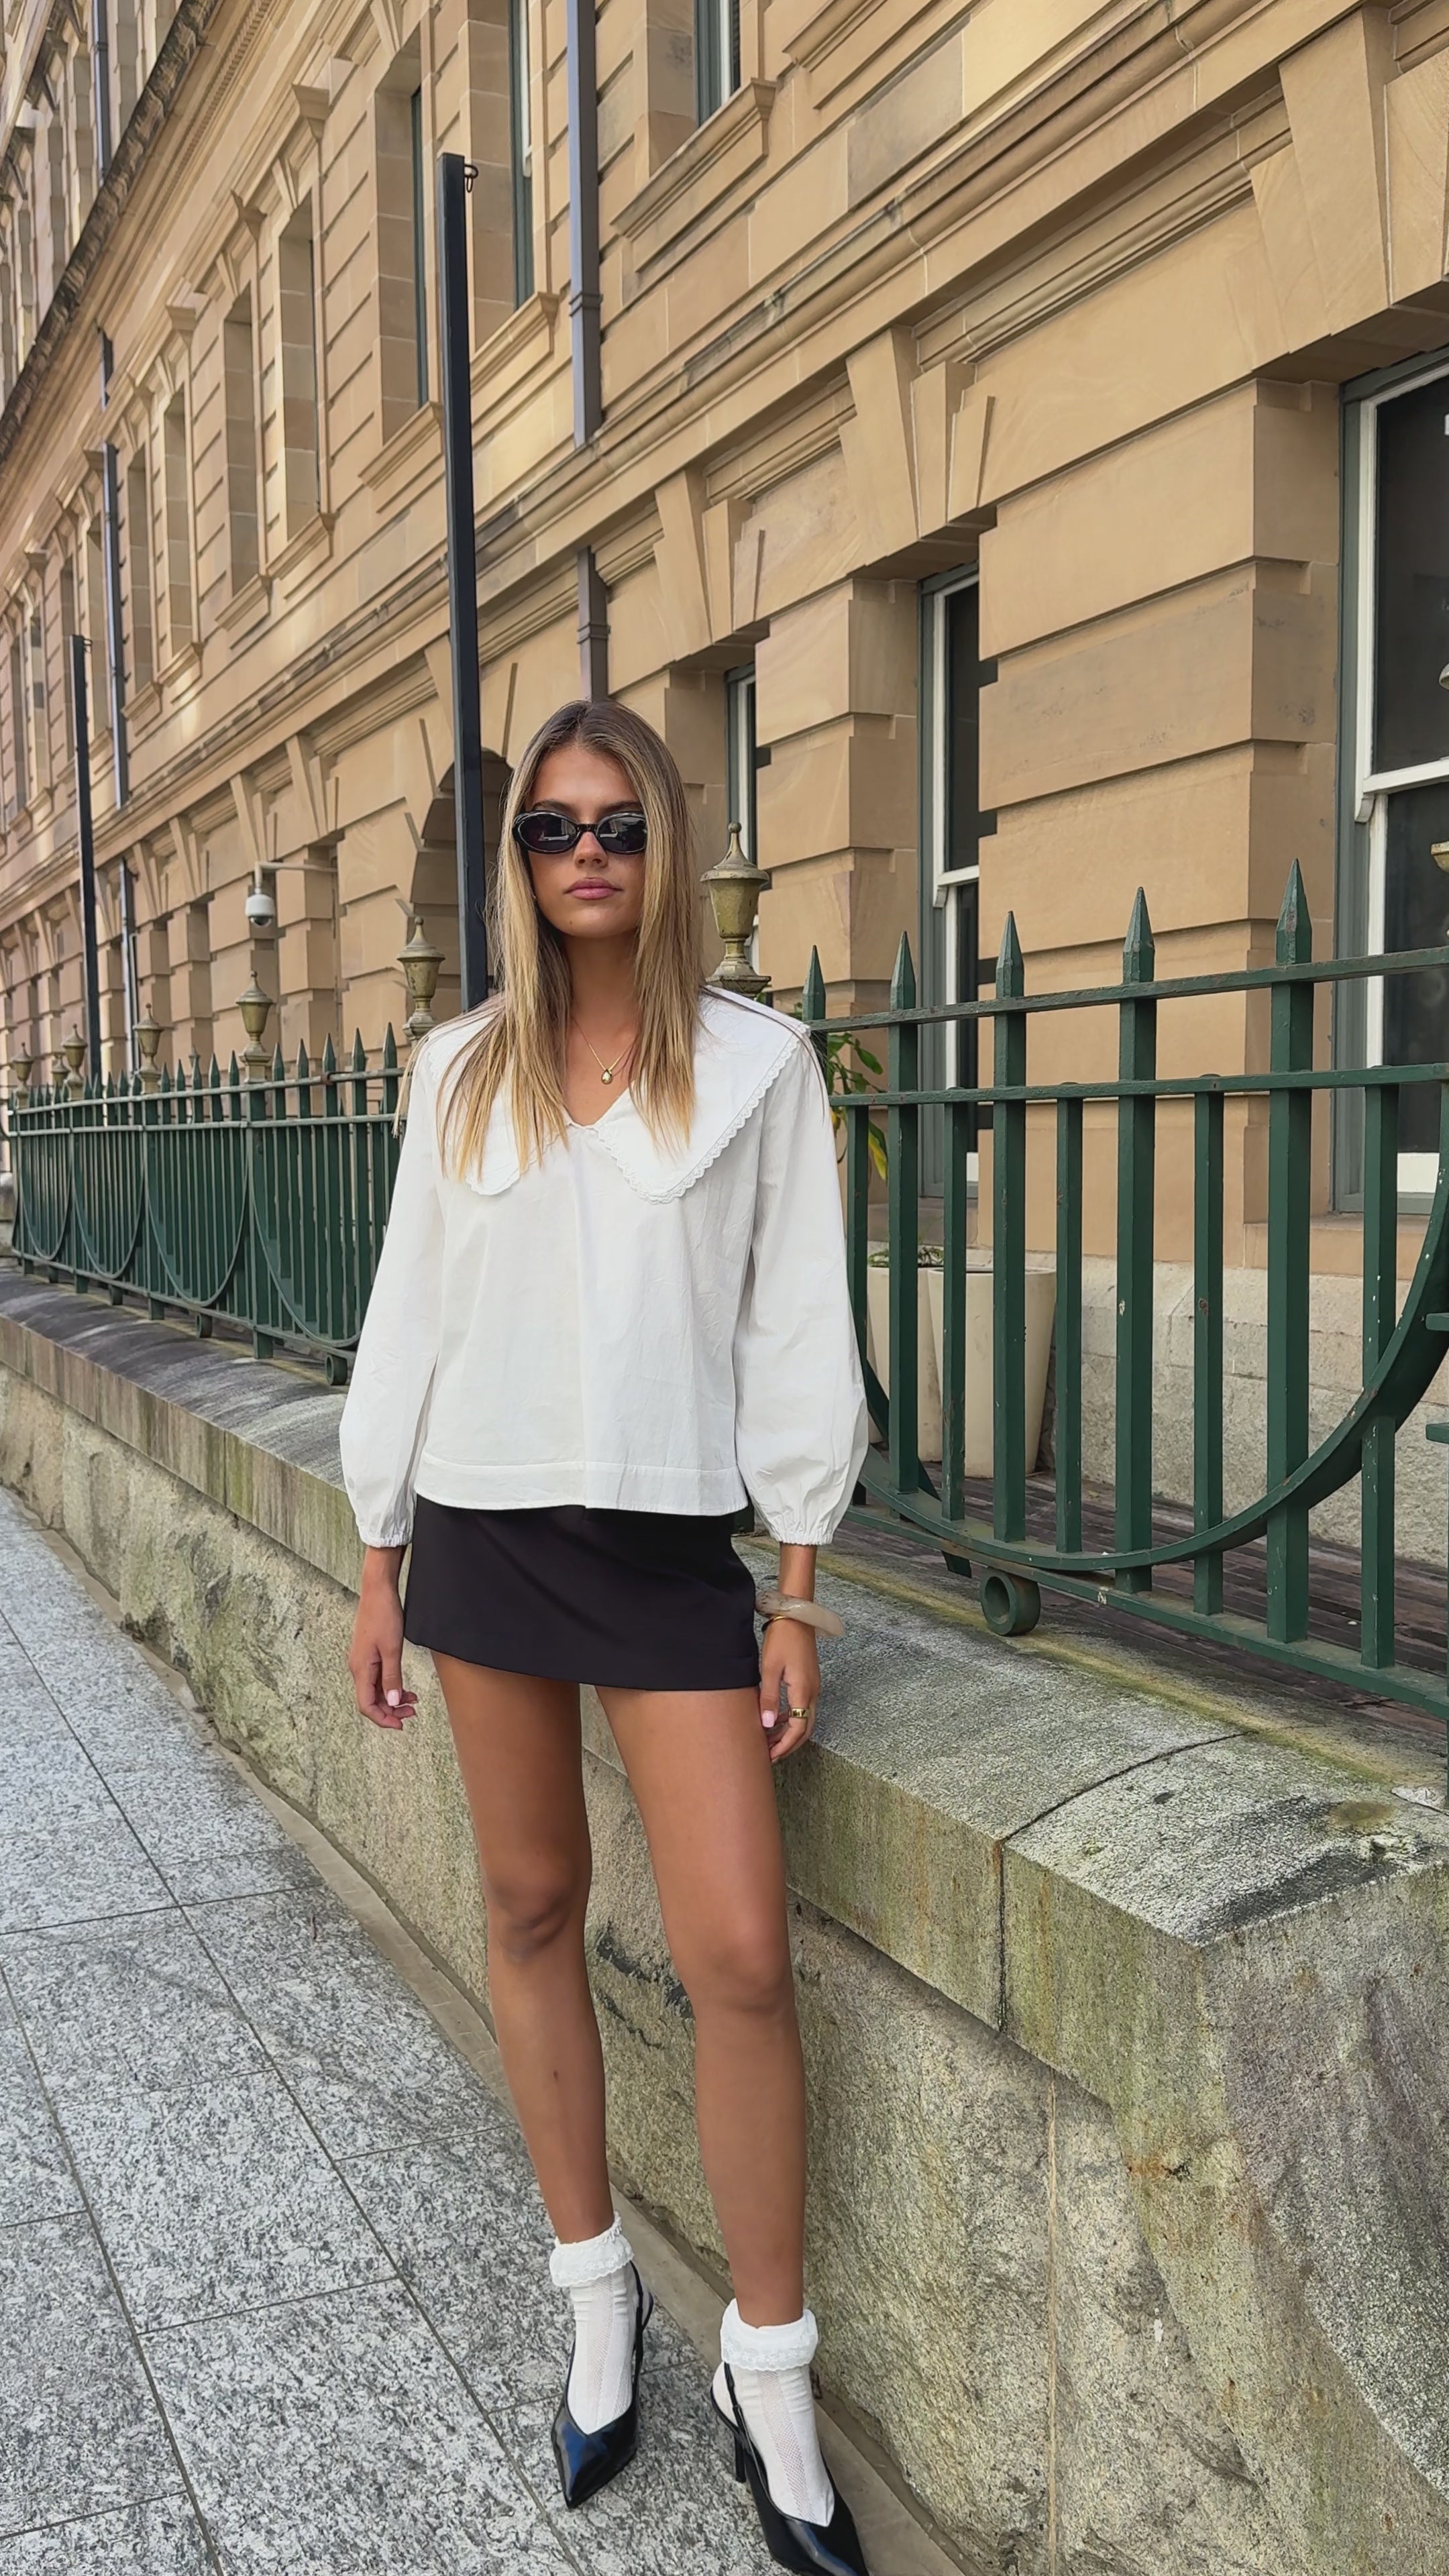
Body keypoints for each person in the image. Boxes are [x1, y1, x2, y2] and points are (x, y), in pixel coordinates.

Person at [339, 696, 870, 2576]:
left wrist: (796, 1585)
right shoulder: (455, 1072)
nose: (585, 855)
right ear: (519, 858)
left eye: (618, 825)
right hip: (480, 1529)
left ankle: (769, 2373)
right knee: (531, 1907)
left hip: (667, 1556)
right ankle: (596, 2294)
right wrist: (380, 1552)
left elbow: (797, 1327)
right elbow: (408, 1314)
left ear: (665, 846)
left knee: (740, 1955)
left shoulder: (759, 1068)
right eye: (554, 828)